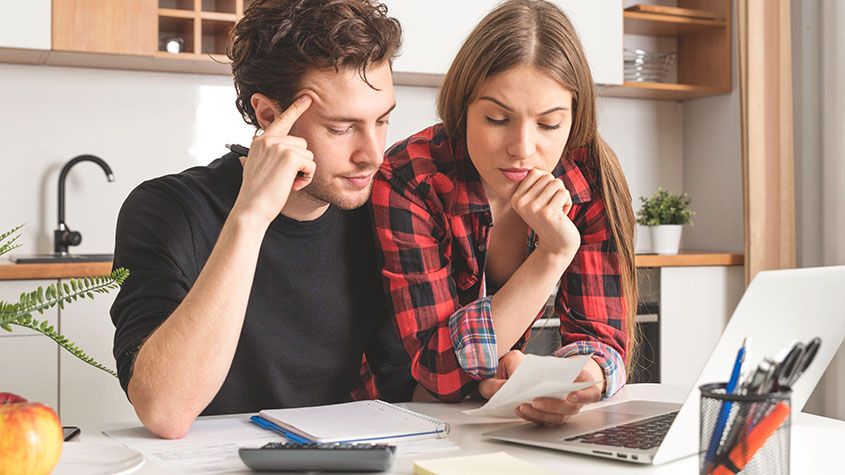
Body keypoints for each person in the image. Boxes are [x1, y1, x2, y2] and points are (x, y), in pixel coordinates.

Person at [110, 0, 412, 439]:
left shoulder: (379, 213)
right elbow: (165, 410)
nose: (373, 154)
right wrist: (250, 219)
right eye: (342, 128)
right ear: (270, 117)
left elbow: (407, 385)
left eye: (382, 120)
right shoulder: (168, 208)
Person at [371, 0, 638, 426]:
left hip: (498, 424)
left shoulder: (588, 180)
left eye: (549, 125)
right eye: (497, 119)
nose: (524, 148)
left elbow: (602, 342)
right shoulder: (411, 177)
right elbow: (440, 374)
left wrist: (581, 379)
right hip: (398, 415)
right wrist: (553, 253)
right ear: (462, 110)